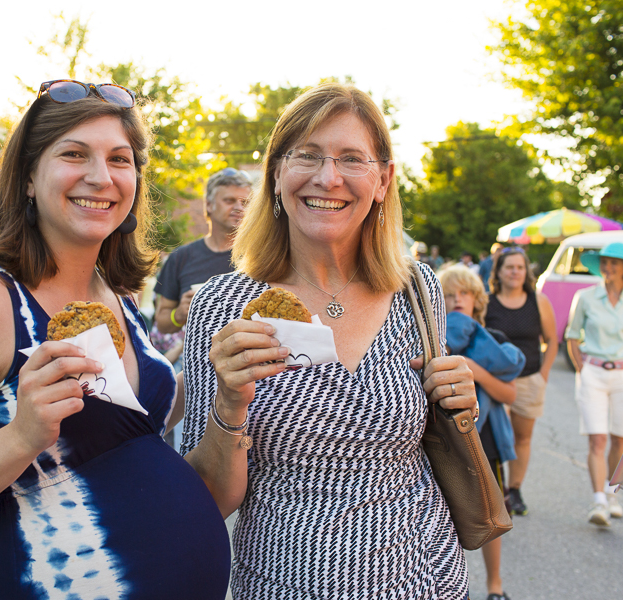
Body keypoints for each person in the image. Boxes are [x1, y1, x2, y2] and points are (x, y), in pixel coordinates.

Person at [0, 79, 230, 599]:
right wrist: (20, 437)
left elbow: (124, 421)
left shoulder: (118, 295)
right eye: (74, 154)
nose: (101, 177)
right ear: (28, 179)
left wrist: (218, 375)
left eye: (120, 159)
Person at [180, 82, 477, 599]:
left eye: (351, 159)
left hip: (424, 578)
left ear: (382, 180)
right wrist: (230, 403)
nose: (328, 177)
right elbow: (209, 497)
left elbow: (430, 426)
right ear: (276, 174)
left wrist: (456, 393)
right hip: (283, 583)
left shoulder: (417, 288)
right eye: (308, 156)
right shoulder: (222, 305)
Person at [440, 266, 524, 600]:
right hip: (446, 439)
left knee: (490, 514)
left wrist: (475, 371)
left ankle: (495, 586)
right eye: (449, 293)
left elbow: (509, 395)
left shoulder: (494, 342)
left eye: (464, 293)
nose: (457, 298)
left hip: (484, 437)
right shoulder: (434, 339)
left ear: (477, 300)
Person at [564, 242, 623, 527]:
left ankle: (611, 493)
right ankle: (599, 502)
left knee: (620, 440)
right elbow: (572, 335)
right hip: (593, 372)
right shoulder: (585, 297)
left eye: (615, 262)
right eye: (604, 261)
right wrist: (583, 368)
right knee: (597, 438)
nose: (608, 266)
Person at [485, 246, 558, 516]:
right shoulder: (488, 302)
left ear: (527, 271)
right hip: (495, 382)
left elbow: (552, 341)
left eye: (520, 267)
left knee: (522, 438)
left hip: (530, 379)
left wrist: (544, 373)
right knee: (494, 438)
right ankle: (497, 492)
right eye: (509, 267)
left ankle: (514, 490)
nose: (515, 272)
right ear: (499, 272)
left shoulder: (538, 302)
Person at [153, 166, 251, 338]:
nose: (239, 208)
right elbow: (162, 323)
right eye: (229, 200)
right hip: (196, 359)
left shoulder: (260, 256)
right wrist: (179, 314)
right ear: (209, 205)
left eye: (245, 203)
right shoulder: (180, 258)